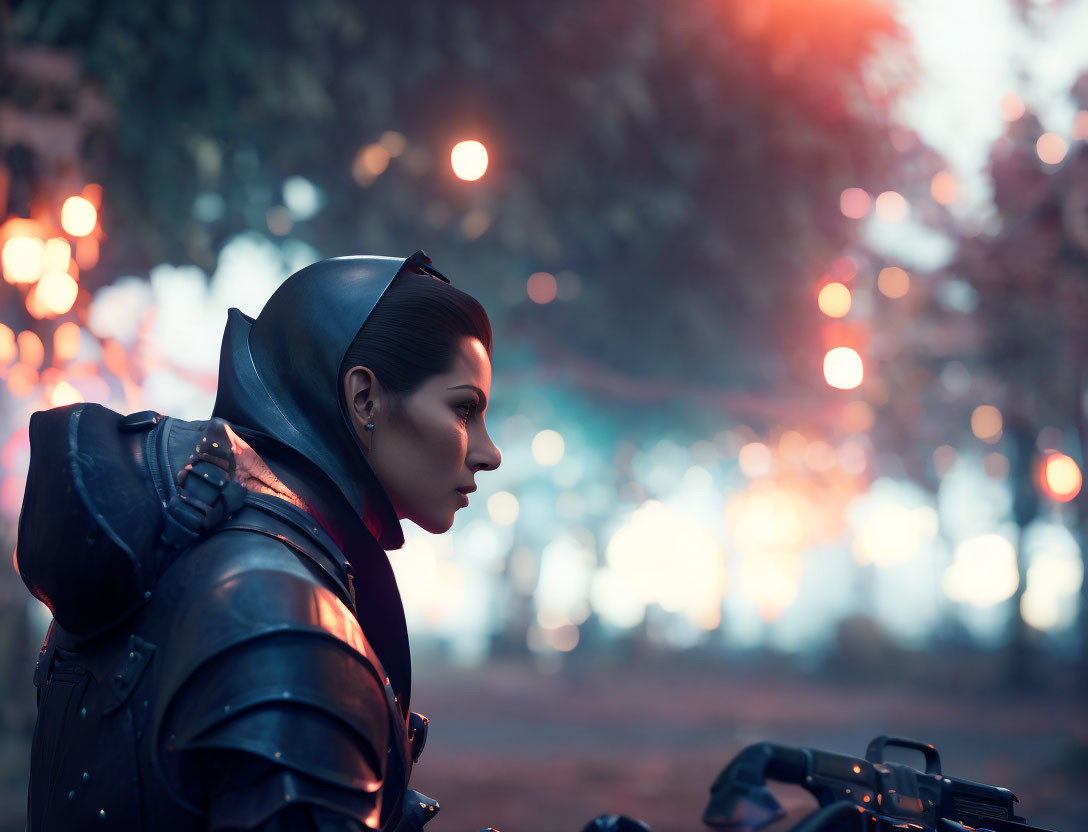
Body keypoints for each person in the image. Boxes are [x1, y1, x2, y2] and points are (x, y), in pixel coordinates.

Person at [19, 251, 502, 831]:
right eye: (464, 408)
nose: (487, 451)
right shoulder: (281, 613)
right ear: (365, 399)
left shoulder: (211, 560)